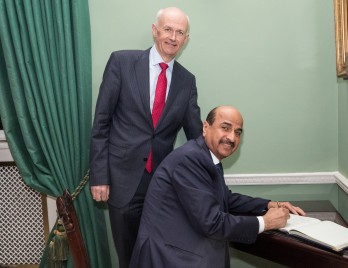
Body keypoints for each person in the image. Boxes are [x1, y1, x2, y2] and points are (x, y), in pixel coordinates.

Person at [89, 7, 203, 268]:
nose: (173, 37)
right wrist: (99, 176)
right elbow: (101, 124)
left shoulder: (187, 81)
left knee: (158, 257)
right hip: (122, 181)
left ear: (186, 39)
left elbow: (196, 137)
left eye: (180, 32)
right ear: (155, 30)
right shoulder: (121, 62)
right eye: (167, 29)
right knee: (129, 258)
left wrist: (215, 155)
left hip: (163, 186)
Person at [129, 106, 305, 268]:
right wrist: (265, 222)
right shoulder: (189, 160)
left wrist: (269, 205)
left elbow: (225, 198)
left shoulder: (207, 156)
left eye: (238, 132)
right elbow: (211, 223)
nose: (232, 137)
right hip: (168, 257)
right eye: (225, 128)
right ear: (206, 127)